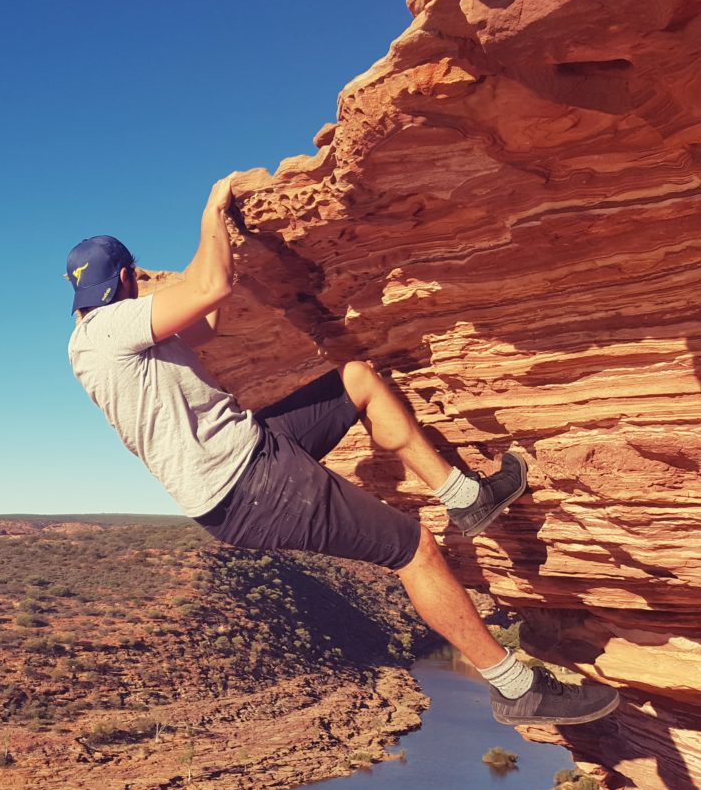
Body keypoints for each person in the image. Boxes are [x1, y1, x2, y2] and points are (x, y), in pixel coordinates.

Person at [64, 174, 620, 726]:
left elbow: (204, 323)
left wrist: (222, 240)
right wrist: (211, 211)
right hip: (251, 485)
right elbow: (211, 288)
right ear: (127, 277)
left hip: (251, 454)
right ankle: (517, 688)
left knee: (356, 379)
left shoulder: (90, 341)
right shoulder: (112, 327)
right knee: (414, 550)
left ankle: (465, 497)